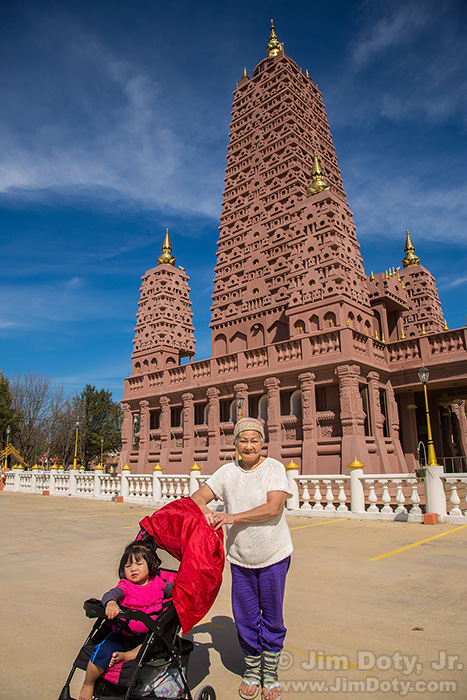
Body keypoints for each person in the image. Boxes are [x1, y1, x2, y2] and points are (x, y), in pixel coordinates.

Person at [191, 417, 293, 700]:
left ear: (263, 442)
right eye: (243, 441)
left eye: (254, 440)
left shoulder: (274, 468)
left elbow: (274, 508)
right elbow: (198, 497)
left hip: (273, 554)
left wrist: (231, 517)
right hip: (240, 558)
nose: (249, 446)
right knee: (246, 617)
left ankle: (269, 673)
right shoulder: (226, 473)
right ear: (235, 444)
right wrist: (207, 513)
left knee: (272, 616)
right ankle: (251, 670)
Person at [79, 535, 176, 700]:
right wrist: (110, 604)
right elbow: (110, 594)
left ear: (150, 566)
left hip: (146, 637)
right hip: (122, 634)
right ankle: (88, 683)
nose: (133, 569)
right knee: (103, 652)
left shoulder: (158, 584)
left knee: (150, 646)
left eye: (139, 564)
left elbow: (174, 591)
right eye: (128, 565)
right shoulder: (125, 586)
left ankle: (128, 655)